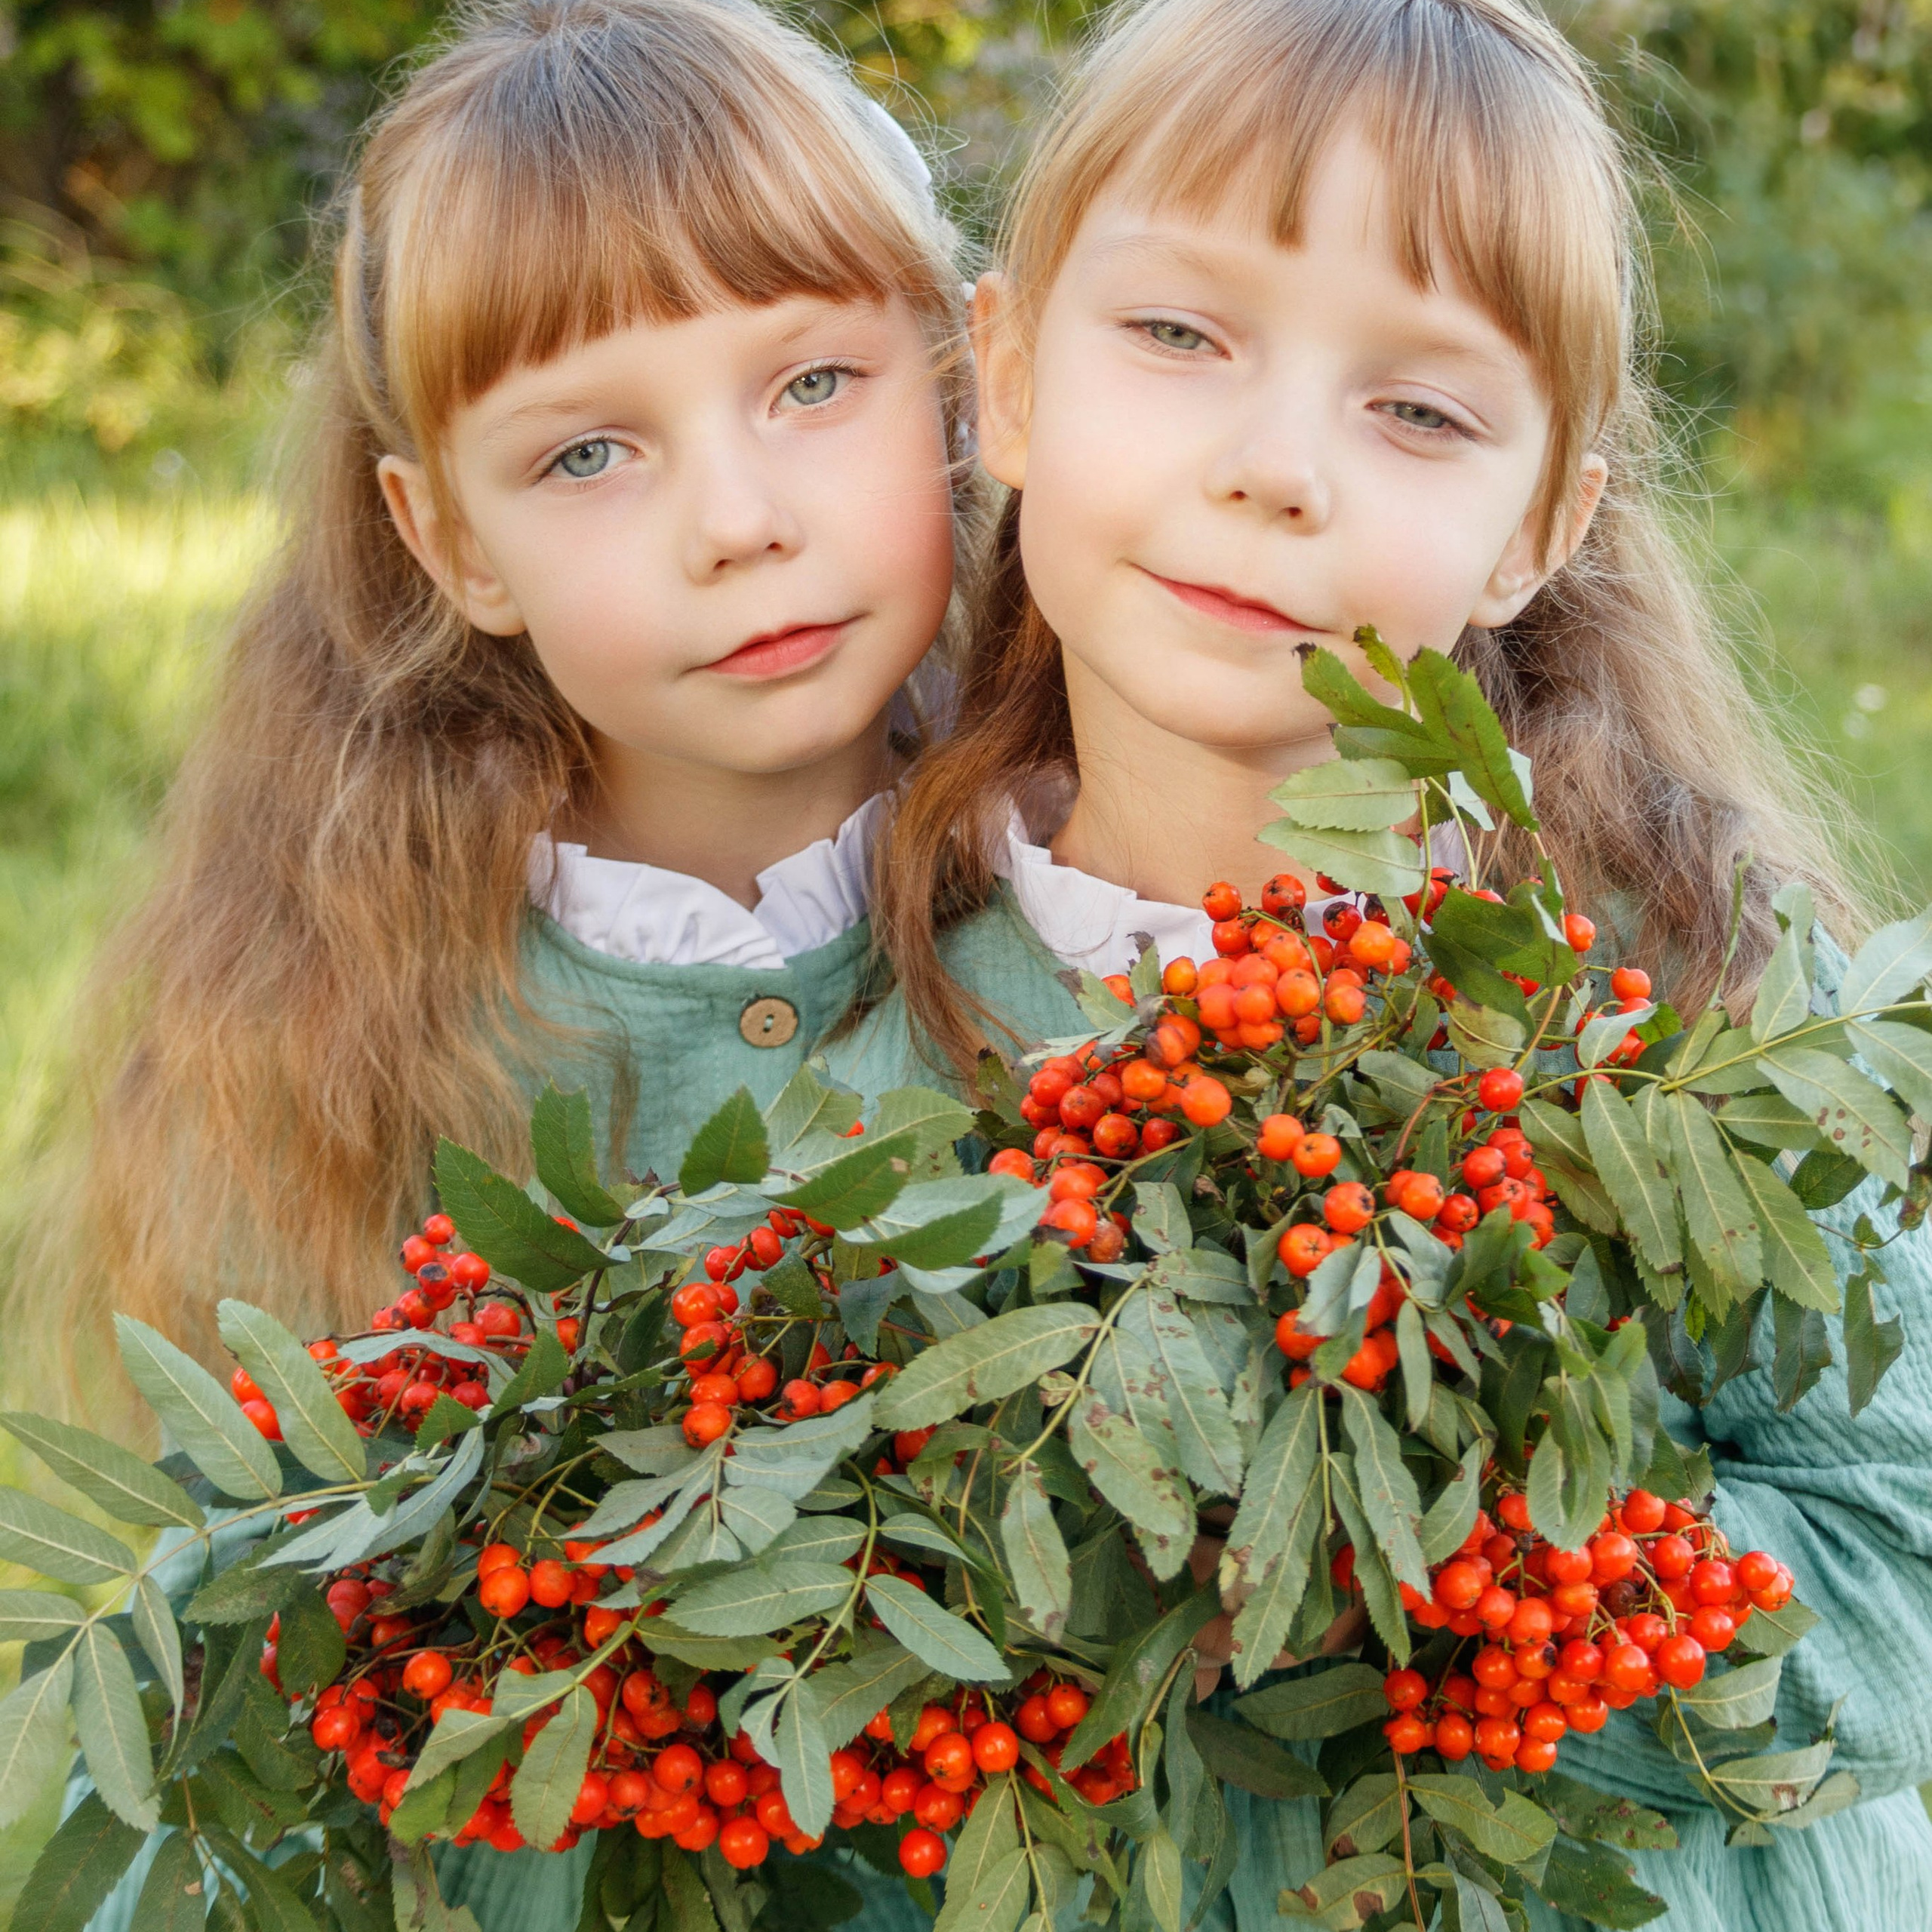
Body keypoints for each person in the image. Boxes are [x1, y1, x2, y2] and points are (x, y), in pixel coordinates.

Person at [850, 0, 1932, 1926]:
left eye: (1415, 409)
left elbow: (1896, 1562)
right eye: (1179, 336)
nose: (1276, 470)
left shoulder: (1670, 1003)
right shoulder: (886, 1016)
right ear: (1002, 378)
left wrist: (1382, 1578)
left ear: (1539, 526)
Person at [66, 0, 964, 1924]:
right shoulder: (327, 1027)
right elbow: (236, 1708)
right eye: (586, 454)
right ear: (446, 536)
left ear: (963, 383)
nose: (739, 522)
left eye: (812, 384)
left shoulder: (1104, 910)